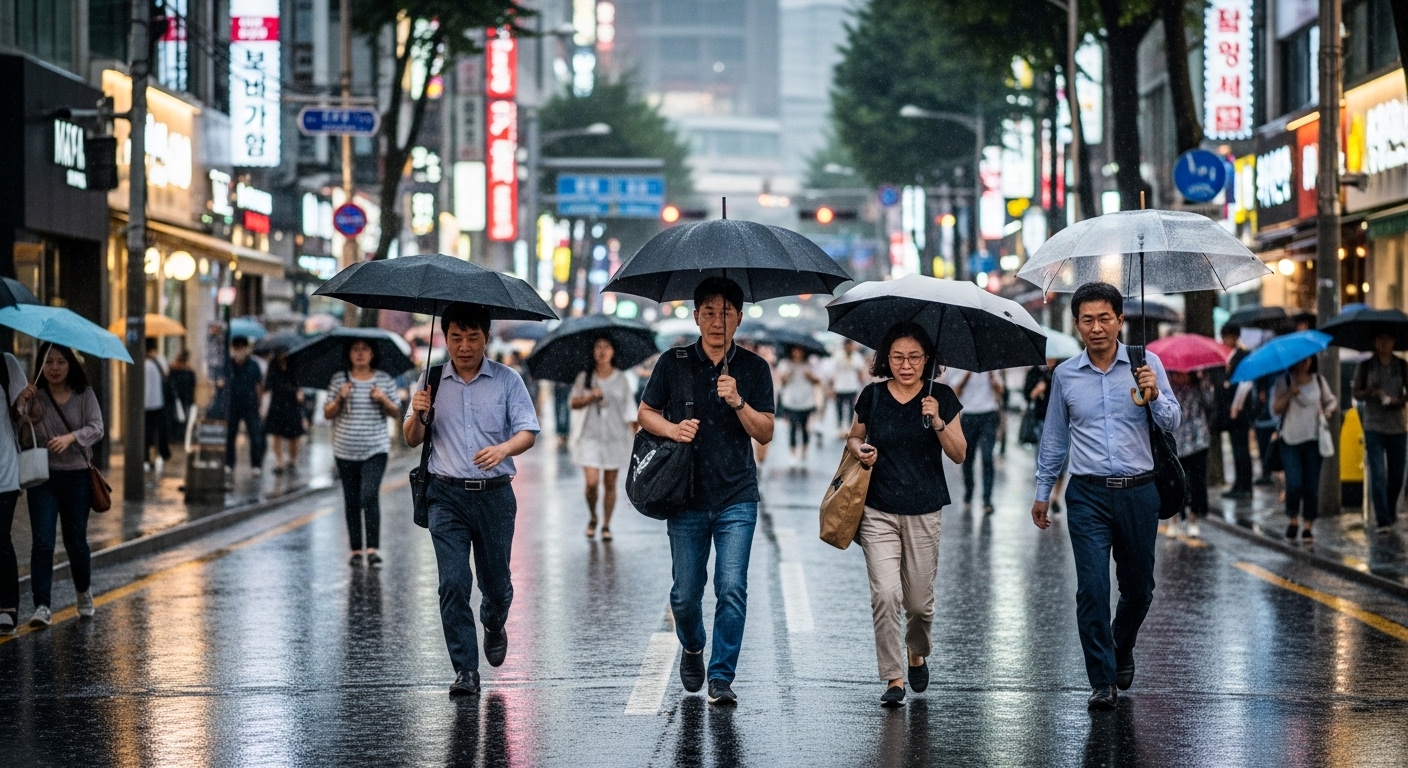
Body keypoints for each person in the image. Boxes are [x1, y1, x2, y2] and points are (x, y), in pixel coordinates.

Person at [1031, 282, 1179, 712]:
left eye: (1104, 318)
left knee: (1139, 589)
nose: (1096, 327)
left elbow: (1173, 421)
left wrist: (1154, 395)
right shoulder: (1065, 375)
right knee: (1092, 590)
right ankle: (1101, 680)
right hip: (1087, 495)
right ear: (1076, 325)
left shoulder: (1146, 363)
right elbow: (1054, 438)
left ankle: (1122, 644)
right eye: (1087, 320)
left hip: (1140, 492)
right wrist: (1043, 491)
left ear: (1120, 320)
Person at [638, 277, 775, 707]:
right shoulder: (674, 362)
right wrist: (673, 430)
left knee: (731, 588)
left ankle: (721, 676)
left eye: (726, 313)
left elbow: (765, 432)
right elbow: (645, 413)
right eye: (710, 313)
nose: (718, 322)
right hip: (686, 497)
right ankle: (693, 645)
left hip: (737, 496)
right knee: (685, 594)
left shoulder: (754, 368)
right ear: (696, 317)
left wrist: (738, 402)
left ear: (739, 318)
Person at [403, 302, 540, 697]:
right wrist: (418, 413)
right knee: (453, 582)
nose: (464, 346)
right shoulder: (430, 380)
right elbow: (411, 439)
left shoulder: (508, 380)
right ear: (445, 339)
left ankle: (494, 622)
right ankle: (466, 669)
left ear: (486, 338)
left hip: (494, 497)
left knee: (496, 585)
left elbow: (528, 431)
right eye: (456, 338)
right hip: (445, 496)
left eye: (472, 337)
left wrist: (503, 449)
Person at [846, 322, 966, 707]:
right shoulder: (873, 395)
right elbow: (854, 436)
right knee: (885, 594)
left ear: (927, 359)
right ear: (887, 359)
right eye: (897, 357)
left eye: (914, 357)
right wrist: (860, 450)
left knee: (918, 604)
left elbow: (959, 453)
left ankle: (917, 652)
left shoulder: (940, 397)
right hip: (877, 509)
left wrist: (939, 422)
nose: (906, 365)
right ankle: (893, 677)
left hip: (924, 510)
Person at [17, 343, 106, 627]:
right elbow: (20, 432)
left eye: (61, 362)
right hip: (42, 478)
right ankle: (42, 605)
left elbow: (97, 427)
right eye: (49, 362)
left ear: (71, 365)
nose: (54, 368)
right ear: (41, 365)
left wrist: (71, 438)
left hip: (76, 477)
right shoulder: (36, 396)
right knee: (43, 542)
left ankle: (83, 590)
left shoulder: (84, 394)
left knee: (75, 542)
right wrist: (21, 405)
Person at [326, 339, 402, 566]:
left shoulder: (384, 379)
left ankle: (372, 548)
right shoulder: (339, 379)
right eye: (355, 349)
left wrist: (382, 399)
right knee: (351, 499)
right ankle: (356, 550)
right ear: (349, 353)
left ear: (372, 353)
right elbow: (328, 413)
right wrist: (339, 397)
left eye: (365, 349)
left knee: (368, 495)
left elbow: (396, 411)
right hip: (345, 450)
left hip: (375, 449)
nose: (360, 353)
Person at [569, 337, 637, 542]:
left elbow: (630, 409)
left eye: (606, 347)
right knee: (591, 483)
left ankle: (606, 524)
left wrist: (638, 437)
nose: (602, 351)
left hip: (615, 437)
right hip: (589, 437)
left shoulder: (621, 378)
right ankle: (593, 516)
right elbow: (573, 403)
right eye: (598, 346)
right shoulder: (585, 377)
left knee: (610, 483)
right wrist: (590, 396)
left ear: (613, 351)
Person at [1272, 355, 1338, 543]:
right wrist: (1289, 393)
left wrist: (1327, 411)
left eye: (1307, 360)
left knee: (1311, 485)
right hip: (1290, 440)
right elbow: (1275, 408)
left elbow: (1332, 400)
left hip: (1314, 440)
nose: (1303, 363)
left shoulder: (1319, 380)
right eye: (1300, 360)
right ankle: (1293, 518)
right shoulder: (1284, 380)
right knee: (1294, 483)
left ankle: (1308, 525)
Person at [1352, 333, 1406, 533]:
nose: (1383, 343)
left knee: (1397, 474)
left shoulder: (1401, 365)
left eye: (1387, 339)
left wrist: (1398, 401)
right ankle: (1382, 519)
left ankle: (1390, 511)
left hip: (1397, 426)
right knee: (1377, 472)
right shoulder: (1366, 366)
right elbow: (1356, 393)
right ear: (1374, 342)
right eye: (1379, 339)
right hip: (1373, 425)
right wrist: (1370, 392)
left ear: (1394, 342)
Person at [946, 367, 1003, 514]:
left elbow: (1001, 390)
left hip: (988, 415)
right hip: (969, 416)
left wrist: (992, 376)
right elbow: (956, 391)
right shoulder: (962, 368)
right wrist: (968, 373)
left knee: (987, 458)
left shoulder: (991, 367)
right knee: (968, 459)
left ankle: (987, 500)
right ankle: (969, 493)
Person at [0, 352, 28, 634]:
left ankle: (7, 605)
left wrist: (24, 402)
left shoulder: (6, 363)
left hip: (3, 468)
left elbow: (22, 412)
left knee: (1, 537)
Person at [1168, 370, 1215, 538]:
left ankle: (1193, 519)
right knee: (1175, 483)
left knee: (1197, 482)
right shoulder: (1167, 385)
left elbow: (1210, 403)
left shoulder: (1200, 384)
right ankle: (1174, 519)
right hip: (1176, 440)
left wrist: (1204, 384)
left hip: (1198, 439)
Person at [1023, 359, 1067, 512]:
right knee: (1043, 461)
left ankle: (1056, 497)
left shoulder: (1063, 371)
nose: (1051, 360)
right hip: (1042, 420)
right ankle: (1044, 496)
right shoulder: (1035, 373)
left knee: (1062, 461)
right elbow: (1027, 395)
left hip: (1062, 422)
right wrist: (1037, 390)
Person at [218, 336, 266, 475]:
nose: (239, 351)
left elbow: (258, 386)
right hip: (232, 405)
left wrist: (260, 405)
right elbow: (222, 382)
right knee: (230, 435)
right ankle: (229, 463)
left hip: (250, 405)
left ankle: (256, 465)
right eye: (236, 348)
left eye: (241, 348)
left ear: (246, 349)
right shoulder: (228, 365)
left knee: (255, 436)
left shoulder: (253, 365)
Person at [1218, 324, 1254, 499]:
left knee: (1242, 450)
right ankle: (1240, 484)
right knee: (1237, 448)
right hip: (1231, 408)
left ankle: (1245, 485)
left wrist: (1236, 407)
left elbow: (1245, 384)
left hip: (1240, 409)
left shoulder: (1242, 356)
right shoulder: (1227, 356)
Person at [263, 348, 307, 474]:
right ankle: (280, 462)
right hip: (277, 403)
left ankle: (292, 460)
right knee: (276, 433)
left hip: (292, 404)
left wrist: (297, 392)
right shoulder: (273, 365)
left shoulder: (295, 364)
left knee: (294, 434)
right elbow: (270, 384)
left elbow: (299, 382)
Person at [777, 345, 820, 465]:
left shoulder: (809, 364)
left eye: (800, 350)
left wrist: (810, 376)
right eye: (795, 350)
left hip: (806, 401)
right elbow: (782, 382)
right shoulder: (785, 363)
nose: (797, 352)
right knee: (792, 427)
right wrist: (788, 375)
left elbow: (818, 381)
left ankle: (804, 452)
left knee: (805, 427)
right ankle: (793, 453)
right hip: (790, 401)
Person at [143, 338, 172, 473]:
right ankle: (159, 456)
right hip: (159, 402)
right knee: (159, 432)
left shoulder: (142, 363)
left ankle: (147, 459)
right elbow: (167, 374)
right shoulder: (160, 360)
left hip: (145, 404)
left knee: (146, 433)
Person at [831, 339, 866, 434]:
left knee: (851, 407)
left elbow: (860, 371)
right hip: (839, 387)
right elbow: (833, 372)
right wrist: (832, 387)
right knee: (839, 408)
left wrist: (861, 385)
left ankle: (849, 427)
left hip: (852, 386)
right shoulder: (838, 356)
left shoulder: (857, 356)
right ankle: (840, 427)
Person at [168, 348, 197, 428]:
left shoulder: (173, 369)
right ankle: (182, 432)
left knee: (175, 419)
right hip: (186, 399)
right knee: (185, 420)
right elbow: (192, 385)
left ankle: (177, 432)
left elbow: (170, 383)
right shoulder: (190, 371)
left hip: (175, 398)